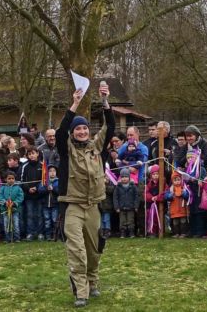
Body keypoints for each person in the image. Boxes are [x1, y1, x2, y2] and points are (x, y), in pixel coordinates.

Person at [56, 82, 115, 308]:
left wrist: (105, 100)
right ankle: (81, 292)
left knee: (94, 250)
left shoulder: (96, 148)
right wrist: (75, 104)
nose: (81, 131)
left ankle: (92, 282)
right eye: (77, 129)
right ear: (73, 133)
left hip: (93, 207)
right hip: (73, 207)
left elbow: (109, 126)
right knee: (76, 249)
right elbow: (61, 133)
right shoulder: (66, 149)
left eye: (84, 129)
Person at [20, 148, 43, 241]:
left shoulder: (42, 165)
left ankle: (40, 233)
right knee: (29, 214)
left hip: (40, 195)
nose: (32, 155)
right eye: (29, 154)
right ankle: (30, 233)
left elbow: (45, 179)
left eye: (33, 153)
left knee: (39, 214)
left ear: (37, 154)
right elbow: (22, 180)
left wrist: (37, 187)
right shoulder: (25, 166)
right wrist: (28, 188)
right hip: (29, 195)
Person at [0, 171, 24, 243]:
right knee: (6, 224)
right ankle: (7, 238)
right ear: (6, 179)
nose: (11, 180)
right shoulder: (3, 187)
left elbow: (21, 197)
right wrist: (4, 202)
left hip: (15, 209)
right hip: (5, 209)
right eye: (9, 178)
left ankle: (17, 238)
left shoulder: (18, 188)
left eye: (13, 178)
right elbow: (0, 196)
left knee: (16, 224)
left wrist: (15, 203)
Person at [112, 167, 138, 238]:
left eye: (126, 176)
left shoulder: (133, 186)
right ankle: (123, 233)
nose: (124, 178)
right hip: (121, 207)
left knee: (130, 220)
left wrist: (136, 206)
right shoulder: (118, 187)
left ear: (129, 177)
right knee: (122, 221)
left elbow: (136, 197)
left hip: (131, 207)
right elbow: (115, 198)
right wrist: (116, 207)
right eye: (122, 177)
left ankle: (131, 233)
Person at [164, 171, 190, 238]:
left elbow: (188, 196)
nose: (177, 181)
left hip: (182, 209)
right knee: (175, 222)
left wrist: (184, 193)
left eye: (178, 179)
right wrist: (170, 196)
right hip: (174, 209)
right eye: (175, 180)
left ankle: (183, 233)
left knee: (183, 221)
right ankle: (176, 233)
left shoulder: (184, 188)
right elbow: (166, 196)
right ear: (172, 181)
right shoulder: (170, 189)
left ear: (181, 180)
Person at [40, 165, 61, 240]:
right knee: (47, 220)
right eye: (50, 171)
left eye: (53, 171)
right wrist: (46, 188)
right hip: (45, 205)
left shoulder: (58, 181)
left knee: (55, 220)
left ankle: (55, 235)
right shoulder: (44, 181)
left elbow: (60, 191)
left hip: (55, 204)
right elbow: (40, 190)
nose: (52, 173)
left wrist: (53, 189)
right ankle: (48, 235)